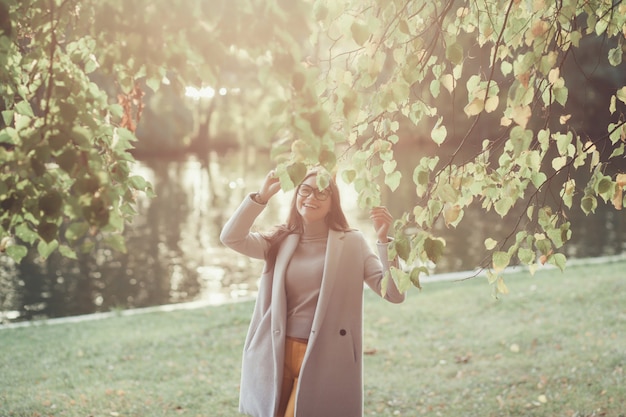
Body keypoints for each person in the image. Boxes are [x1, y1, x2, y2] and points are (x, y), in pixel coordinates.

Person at [220, 168, 406, 417]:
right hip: (275, 351)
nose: (311, 197)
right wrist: (261, 197)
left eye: (322, 193)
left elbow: (394, 294)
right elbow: (231, 238)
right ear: (296, 195)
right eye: (305, 190)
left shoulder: (352, 242)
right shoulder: (279, 240)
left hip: (325, 354)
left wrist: (384, 241)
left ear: (333, 202)